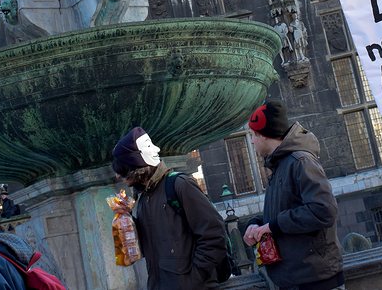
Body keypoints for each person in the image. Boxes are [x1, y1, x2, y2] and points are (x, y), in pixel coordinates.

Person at [242, 100, 345, 290]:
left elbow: (323, 210)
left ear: (263, 135)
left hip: (315, 279)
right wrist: (255, 224)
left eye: (253, 135)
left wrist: (273, 226)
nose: (252, 141)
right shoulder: (281, 164)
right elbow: (283, 211)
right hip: (296, 278)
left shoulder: (300, 162)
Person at [111, 126, 227, 289]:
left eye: (123, 171)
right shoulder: (144, 198)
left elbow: (214, 234)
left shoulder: (179, 185)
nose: (119, 177)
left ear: (136, 167)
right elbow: (151, 244)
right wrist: (127, 221)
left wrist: (194, 279)